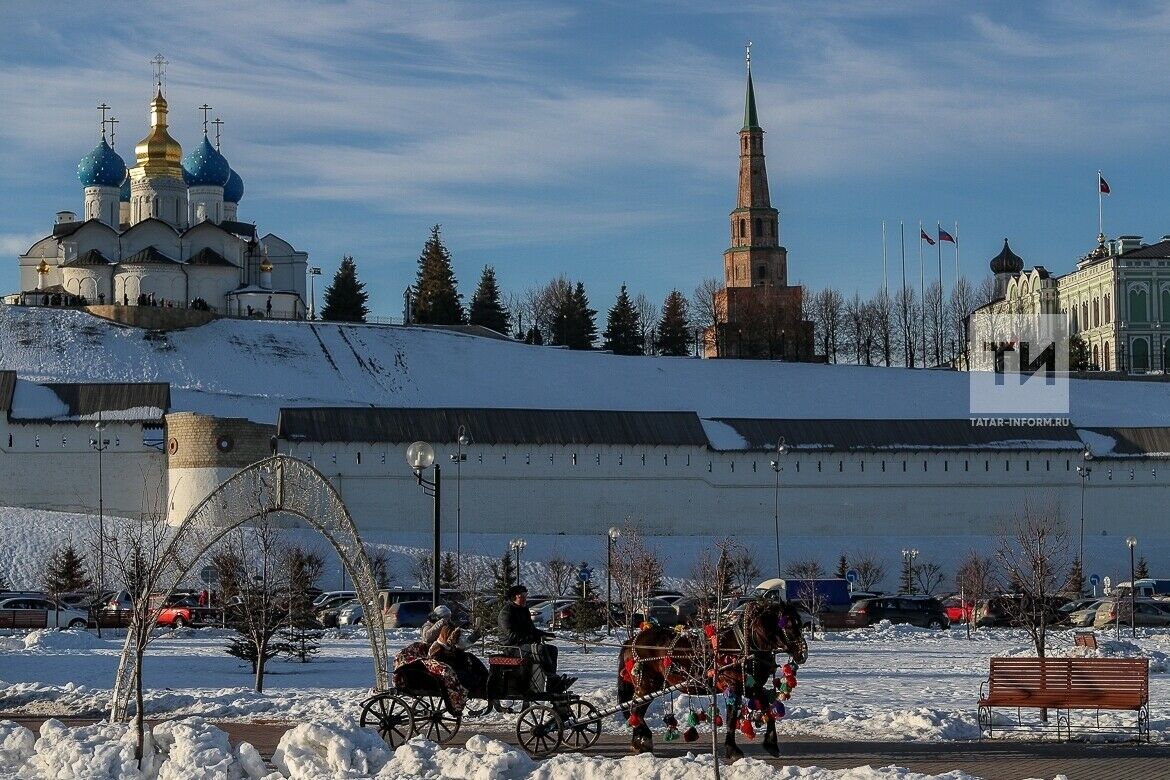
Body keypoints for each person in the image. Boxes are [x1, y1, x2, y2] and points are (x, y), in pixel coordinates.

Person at [497, 585, 575, 693]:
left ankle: (552, 684)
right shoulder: (506, 612)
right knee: (540, 650)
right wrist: (531, 637)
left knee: (552, 649)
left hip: (525, 645)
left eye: (525, 595)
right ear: (514, 597)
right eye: (522, 596)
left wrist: (545, 634)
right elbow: (511, 635)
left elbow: (532, 630)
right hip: (512, 647)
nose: (525, 598)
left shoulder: (524, 611)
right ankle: (553, 679)